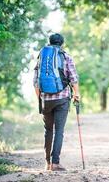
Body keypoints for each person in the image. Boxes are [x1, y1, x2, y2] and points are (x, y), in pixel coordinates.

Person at [33, 33, 80, 171]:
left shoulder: (41, 58)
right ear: (61, 44)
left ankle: (47, 163)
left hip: (46, 100)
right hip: (62, 99)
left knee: (48, 131)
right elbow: (74, 78)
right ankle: (55, 163)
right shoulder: (66, 57)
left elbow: (35, 83)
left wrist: (39, 98)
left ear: (50, 42)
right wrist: (77, 94)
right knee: (59, 130)